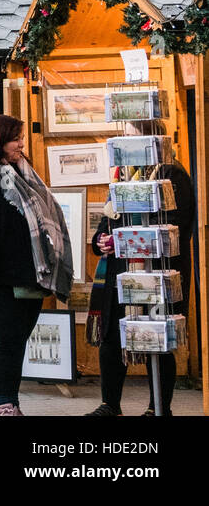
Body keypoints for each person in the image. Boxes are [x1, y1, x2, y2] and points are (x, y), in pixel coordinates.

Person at [0, 114, 73, 416]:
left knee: (18, 339)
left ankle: (8, 402)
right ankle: (5, 403)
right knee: (7, 339)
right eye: (14, 138)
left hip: (28, 273)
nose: (21, 143)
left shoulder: (24, 172)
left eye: (21, 137)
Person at [86, 119, 194, 417]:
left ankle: (157, 408)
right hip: (120, 272)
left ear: (151, 140)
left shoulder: (173, 174)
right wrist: (102, 241)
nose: (126, 143)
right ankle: (110, 405)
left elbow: (178, 226)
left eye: (131, 136)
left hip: (158, 271)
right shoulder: (123, 176)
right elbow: (106, 223)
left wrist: (133, 241)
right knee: (111, 338)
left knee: (156, 338)